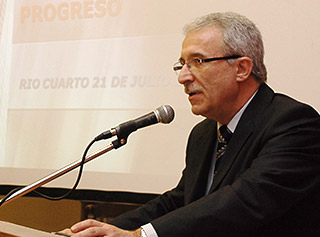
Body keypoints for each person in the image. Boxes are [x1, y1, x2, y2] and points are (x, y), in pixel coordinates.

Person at [59, 12, 320, 236]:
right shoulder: (205, 132)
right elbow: (180, 201)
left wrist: (142, 235)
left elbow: (245, 201)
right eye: (181, 65)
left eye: (198, 61)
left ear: (241, 68)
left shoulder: (293, 124)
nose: (183, 77)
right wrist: (96, 231)